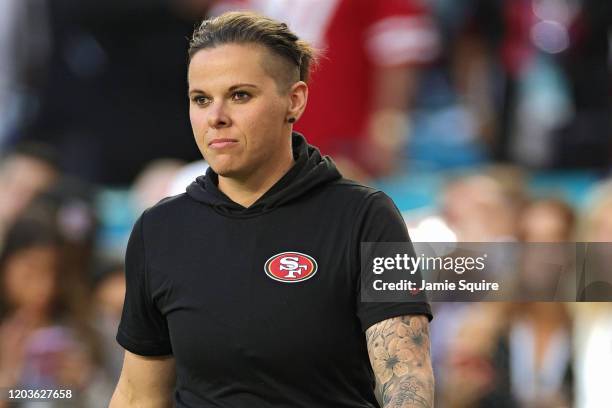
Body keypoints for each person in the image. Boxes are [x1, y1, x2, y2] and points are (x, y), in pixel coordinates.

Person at [110, 11, 433, 408]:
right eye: (201, 99)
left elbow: (405, 378)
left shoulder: (367, 217)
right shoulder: (158, 229)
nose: (216, 117)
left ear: (294, 100)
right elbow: (138, 394)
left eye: (240, 95)